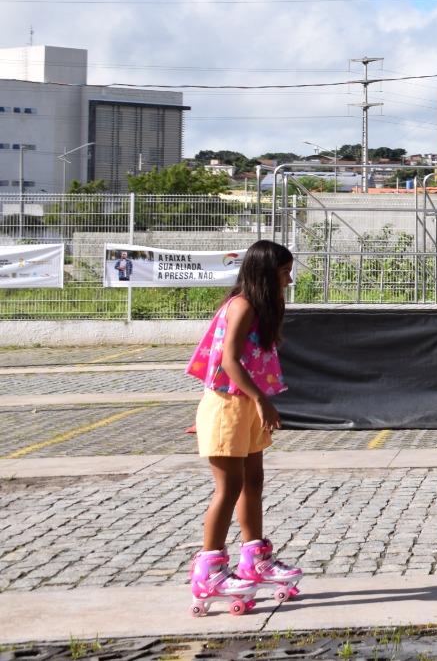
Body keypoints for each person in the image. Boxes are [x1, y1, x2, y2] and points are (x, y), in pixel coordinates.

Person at [183, 239, 304, 614]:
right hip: (230, 407)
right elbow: (229, 361)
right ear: (266, 274)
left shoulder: (254, 308)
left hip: (244, 408)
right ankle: (209, 571)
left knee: (253, 482)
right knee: (229, 487)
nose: (288, 280)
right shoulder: (243, 306)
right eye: (284, 273)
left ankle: (253, 560)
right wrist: (261, 400)